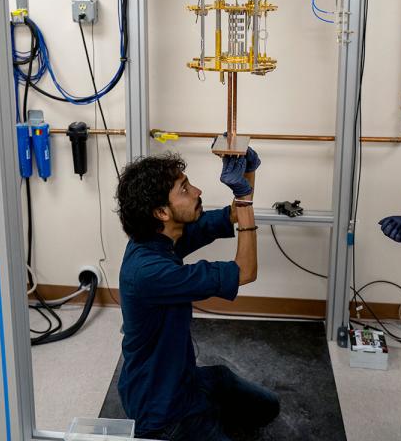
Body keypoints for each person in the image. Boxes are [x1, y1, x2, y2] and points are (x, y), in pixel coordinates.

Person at [115, 148, 280, 440]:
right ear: (162, 212)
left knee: (268, 408)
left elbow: (233, 212)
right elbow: (245, 271)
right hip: (163, 412)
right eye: (184, 189)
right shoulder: (149, 272)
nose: (197, 191)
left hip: (185, 380)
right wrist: (243, 198)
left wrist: (248, 174)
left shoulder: (163, 237)